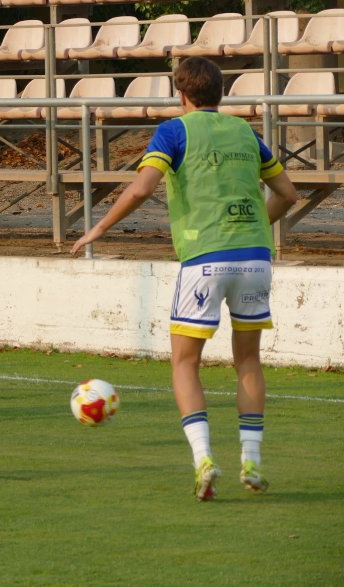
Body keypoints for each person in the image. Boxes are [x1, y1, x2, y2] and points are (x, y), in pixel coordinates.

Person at [71, 57, 299, 501]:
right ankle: (251, 460)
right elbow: (288, 194)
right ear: (221, 94)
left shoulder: (174, 131)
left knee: (185, 362)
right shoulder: (247, 134)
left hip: (205, 260)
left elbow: (141, 188)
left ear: (182, 95)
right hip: (255, 258)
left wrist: (97, 228)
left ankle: (203, 459)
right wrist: (253, 229)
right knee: (248, 361)